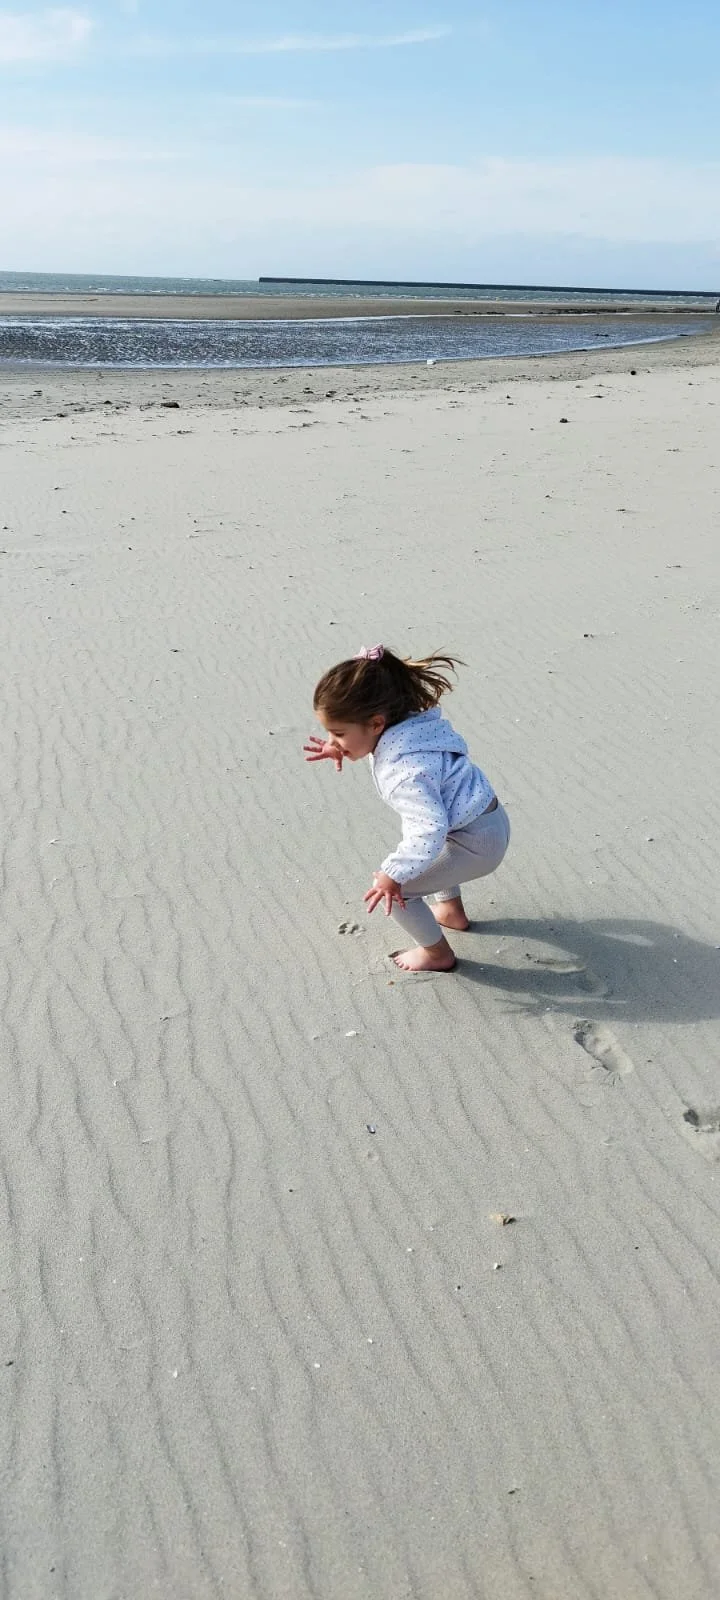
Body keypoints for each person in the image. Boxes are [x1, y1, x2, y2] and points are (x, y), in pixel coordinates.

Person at [304, 644, 510, 972]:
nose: (333, 740)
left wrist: (393, 874)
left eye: (339, 733)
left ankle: (437, 954)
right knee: (435, 850)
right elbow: (436, 823)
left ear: (375, 723)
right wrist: (341, 746)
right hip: (487, 820)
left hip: (476, 844)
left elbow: (428, 829)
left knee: (397, 894)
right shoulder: (411, 724)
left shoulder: (404, 772)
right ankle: (451, 912)